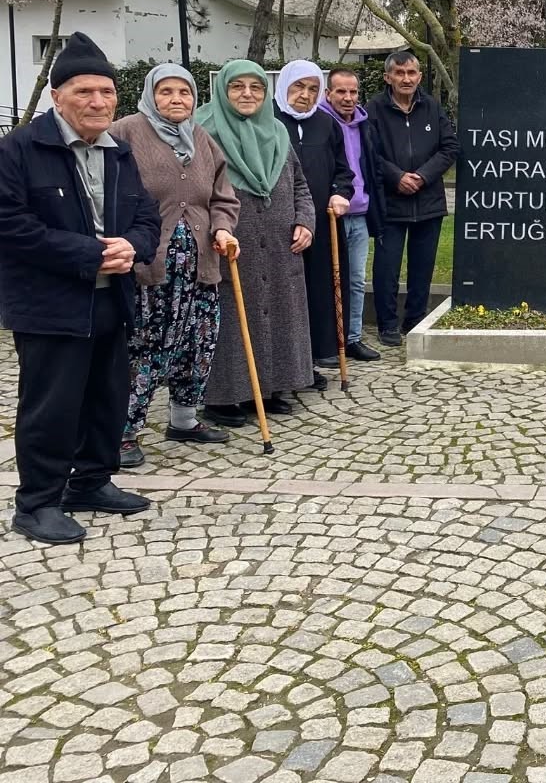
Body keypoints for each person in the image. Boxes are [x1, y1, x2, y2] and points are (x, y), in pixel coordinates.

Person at [0, 33, 160, 544]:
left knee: (105, 399)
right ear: (56, 97)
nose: (97, 102)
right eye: (84, 92)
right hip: (50, 305)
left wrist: (134, 247)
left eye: (106, 92)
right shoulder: (19, 150)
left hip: (111, 298)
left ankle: (90, 481)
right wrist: (90, 253)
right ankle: (38, 503)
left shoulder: (120, 151)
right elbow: (11, 226)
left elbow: (145, 214)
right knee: (51, 405)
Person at [110, 65, 242, 467]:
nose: (176, 99)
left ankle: (184, 420)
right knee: (147, 346)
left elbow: (223, 197)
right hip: (150, 265)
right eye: (166, 91)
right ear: (151, 94)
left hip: (200, 264)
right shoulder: (124, 132)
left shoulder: (201, 139)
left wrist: (222, 228)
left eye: (184, 92)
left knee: (199, 340)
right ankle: (123, 432)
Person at [196, 59, 316, 424]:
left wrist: (304, 221)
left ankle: (267, 388)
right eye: (238, 87)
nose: (248, 94)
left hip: (281, 246)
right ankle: (222, 397)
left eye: (256, 87)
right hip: (231, 242)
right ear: (223, 90)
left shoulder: (277, 132)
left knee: (278, 314)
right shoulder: (204, 133)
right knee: (231, 319)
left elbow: (299, 185)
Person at [367, 49, 458, 346]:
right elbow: (368, 152)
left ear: (419, 76)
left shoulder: (432, 107)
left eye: (411, 73)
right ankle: (388, 323)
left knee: (423, 267)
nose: (406, 79)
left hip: (428, 201)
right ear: (388, 77)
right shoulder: (373, 110)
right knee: (386, 267)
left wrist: (422, 176)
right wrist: (397, 177)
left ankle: (416, 319)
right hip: (391, 203)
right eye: (400, 73)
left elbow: (449, 147)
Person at [274, 60, 355, 379]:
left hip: (323, 219)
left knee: (321, 287)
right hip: (280, 221)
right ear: (284, 87)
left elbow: (343, 169)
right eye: (298, 87)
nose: (305, 95)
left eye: (312, 89)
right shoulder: (269, 121)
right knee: (288, 291)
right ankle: (289, 360)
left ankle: (321, 351)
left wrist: (340, 193)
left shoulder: (326, 123)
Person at [319, 67, 383, 361]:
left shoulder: (364, 124)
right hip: (329, 214)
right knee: (329, 279)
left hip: (359, 213)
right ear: (328, 93)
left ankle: (353, 337)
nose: (348, 98)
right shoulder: (319, 122)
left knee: (356, 279)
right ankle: (329, 341)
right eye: (341, 91)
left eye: (353, 92)